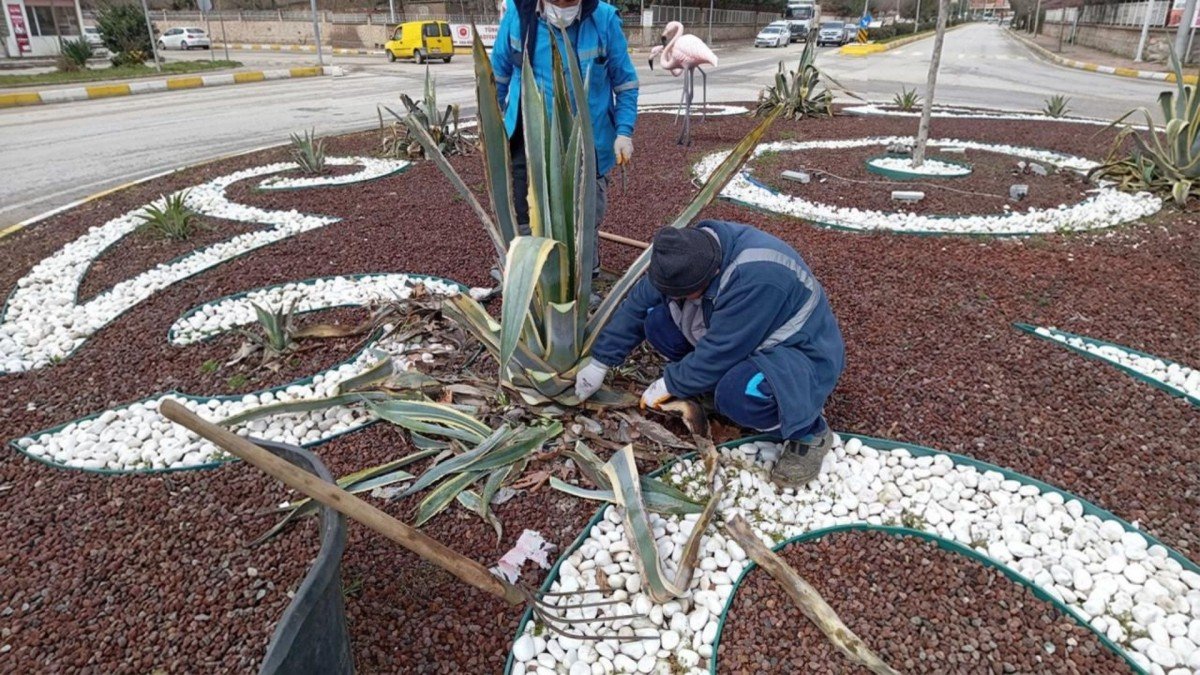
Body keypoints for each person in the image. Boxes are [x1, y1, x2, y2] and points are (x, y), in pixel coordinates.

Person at [574, 221, 846, 487]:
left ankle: (809, 431)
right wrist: (600, 361)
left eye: (687, 293)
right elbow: (637, 305)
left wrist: (671, 383)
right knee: (657, 322)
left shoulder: (758, 276)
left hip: (796, 353)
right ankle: (711, 389)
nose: (677, 296)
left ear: (713, 272)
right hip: (742, 335)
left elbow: (722, 350)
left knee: (739, 394)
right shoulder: (682, 255)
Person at [491, 0, 639, 275]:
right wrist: (492, 125)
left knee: (586, 216)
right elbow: (497, 76)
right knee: (523, 210)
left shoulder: (603, 19)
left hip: (588, 140)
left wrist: (623, 132)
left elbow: (625, 83)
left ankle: (584, 279)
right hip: (528, 139)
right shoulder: (519, 13)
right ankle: (524, 277)